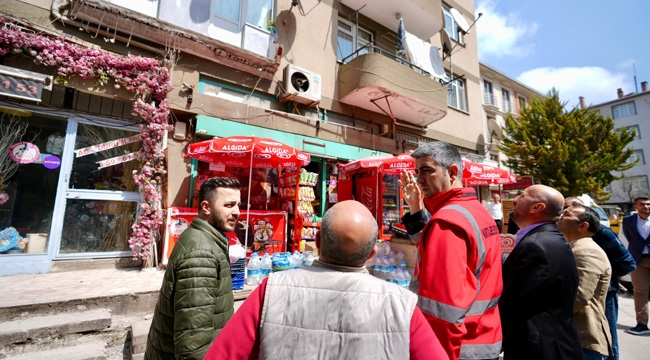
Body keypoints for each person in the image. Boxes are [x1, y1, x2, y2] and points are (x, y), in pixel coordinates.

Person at [204, 200, 449, 360]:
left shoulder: (271, 290)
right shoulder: (402, 305)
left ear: (317, 241)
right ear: (372, 255)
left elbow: (223, 353)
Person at [398, 142, 502, 360]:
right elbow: (432, 253)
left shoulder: (447, 222)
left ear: (452, 172)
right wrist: (416, 209)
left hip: (458, 348)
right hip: (484, 337)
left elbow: (443, 312)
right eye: (417, 172)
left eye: (427, 170)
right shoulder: (477, 211)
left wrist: (436, 354)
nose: (419, 179)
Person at [145, 177, 241, 360]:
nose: (237, 212)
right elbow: (192, 345)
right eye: (229, 205)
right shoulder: (201, 254)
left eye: (238, 205)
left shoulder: (204, 240)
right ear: (206, 207)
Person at [499, 184, 582, 360]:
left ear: (537, 207)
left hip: (539, 350)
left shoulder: (535, 245)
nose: (514, 199)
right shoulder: (549, 238)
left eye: (521, 195)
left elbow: (515, 304)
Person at [566, 197, 635, 360]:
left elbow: (628, 262)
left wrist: (606, 275)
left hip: (606, 293)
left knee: (606, 338)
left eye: (571, 208)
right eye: (564, 209)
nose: (564, 213)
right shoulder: (565, 233)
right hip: (583, 294)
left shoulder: (603, 233)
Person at [557, 203, 612, 360]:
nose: (561, 215)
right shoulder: (573, 247)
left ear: (583, 225)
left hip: (583, 339)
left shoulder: (587, 251)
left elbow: (579, 298)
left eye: (567, 214)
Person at [618, 195, 650, 335]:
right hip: (638, 260)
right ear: (636, 207)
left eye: (648, 204)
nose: (646, 207)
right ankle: (642, 324)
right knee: (640, 291)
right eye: (642, 204)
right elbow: (626, 239)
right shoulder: (628, 221)